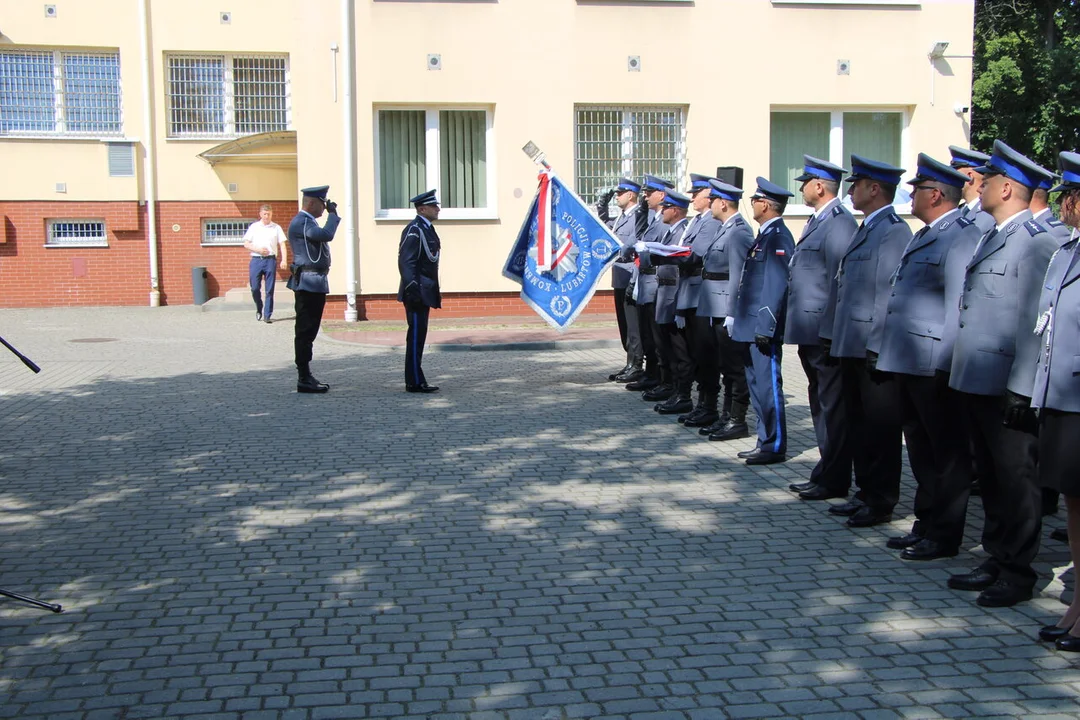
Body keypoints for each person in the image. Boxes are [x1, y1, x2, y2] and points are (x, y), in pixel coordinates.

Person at [946, 139, 1057, 607]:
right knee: (990, 476)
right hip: (978, 377)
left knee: (1016, 479)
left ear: (1007, 187)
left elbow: (1034, 323)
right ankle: (996, 555)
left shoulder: (1034, 244)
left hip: (1008, 383)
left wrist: (1023, 385)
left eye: (987, 180)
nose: (979, 185)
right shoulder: (994, 235)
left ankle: (1018, 570)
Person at [875, 153, 982, 560]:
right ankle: (926, 522)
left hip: (934, 363)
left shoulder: (959, 236)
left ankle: (945, 533)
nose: (911, 196)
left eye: (917, 190)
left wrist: (947, 364)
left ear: (936, 194)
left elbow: (959, 305)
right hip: (908, 358)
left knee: (947, 453)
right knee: (920, 449)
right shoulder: (924, 234)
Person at [828, 155, 912, 528]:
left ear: (874, 189)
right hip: (852, 342)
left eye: (856, 184)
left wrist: (878, 345)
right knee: (859, 423)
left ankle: (881, 500)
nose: (850, 190)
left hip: (872, 347)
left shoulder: (893, 231)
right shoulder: (867, 227)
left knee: (879, 428)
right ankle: (864, 492)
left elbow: (887, 294)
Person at [784, 157, 858, 500]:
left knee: (833, 407)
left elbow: (840, 283)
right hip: (810, 331)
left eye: (805, 182)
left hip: (824, 333)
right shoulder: (819, 221)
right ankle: (827, 470)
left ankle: (835, 476)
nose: (801, 189)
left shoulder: (839, 223)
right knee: (821, 403)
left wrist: (831, 332)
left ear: (819, 186)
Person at [1032, 150, 1080, 650]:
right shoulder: (1067, 250)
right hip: (1063, 393)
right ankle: (1078, 602)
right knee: (1074, 504)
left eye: (1071, 194)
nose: (1063, 202)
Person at [731, 178, 795, 466]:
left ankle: (775, 444)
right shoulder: (765, 235)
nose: (753, 204)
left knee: (768, 386)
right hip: (750, 325)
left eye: (756, 200)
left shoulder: (779, 236)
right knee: (756, 386)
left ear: (766, 205)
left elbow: (776, 284)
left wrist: (765, 326)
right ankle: (764, 440)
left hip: (761, 327)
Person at [699, 179, 753, 442]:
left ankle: (737, 420)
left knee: (734, 368)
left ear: (723, 202)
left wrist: (733, 312)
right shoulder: (725, 229)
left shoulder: (739, 232)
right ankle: (725, 416)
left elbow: (739, 276)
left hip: (727, 310)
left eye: (712, 201)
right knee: (724, 366)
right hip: (716, 307)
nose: (708, 205)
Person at [632, 190, 689, 396]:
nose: (662, 211)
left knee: (673, 345)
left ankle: (675, 388)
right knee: (660, 342)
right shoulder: (669, 229)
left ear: (675, 210)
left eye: (666, 208)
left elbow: (679, 259)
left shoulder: (681, 229)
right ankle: (666, 383)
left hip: (670, 290)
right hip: (661, 289)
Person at [287, 185, 339, 394]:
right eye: (322, 204)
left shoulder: (307, 221)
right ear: (310, 203)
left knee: (309, 330)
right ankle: (304, 377)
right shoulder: (303, 222)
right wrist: (334, 215)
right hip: (308, 283)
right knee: (305, 331)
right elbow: (326, 234)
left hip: (314, 282)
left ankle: (306, 375)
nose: (324, 208)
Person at [598, 179, 646, 382]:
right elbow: (604, 228)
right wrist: (602, 206)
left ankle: (636, 364)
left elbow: (634, 241)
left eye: (621, 193)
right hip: (619, 275)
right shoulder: (620, 218)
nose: (617, 196)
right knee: (624, 324)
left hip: (631, 274)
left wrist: (618, 250)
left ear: (632, 195)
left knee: (634, 324)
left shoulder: (639, 216)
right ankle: (629, 362)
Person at [398, 189, 442, 393]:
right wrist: (412, 289)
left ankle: (416, 378)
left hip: (425, 290)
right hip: (416, 292)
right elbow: (406, 263)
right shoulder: (414, 230)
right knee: (415, 337)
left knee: (419, 336)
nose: (438, 209)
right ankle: (414, 381)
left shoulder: (426, 229)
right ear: (422, 209)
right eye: (434, 206)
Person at [243, 204, 288, 324]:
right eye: (264, 214)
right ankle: (259, 307)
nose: (266, 216)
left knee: (269, 289)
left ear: (271, 214)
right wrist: (258, 250)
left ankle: (267, 315)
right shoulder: (254, 227)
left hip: (270, 260)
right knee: (255, 288)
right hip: (257, 260)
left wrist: (284, 260)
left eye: (269, 214)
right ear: (260, 214)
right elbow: (246, 244)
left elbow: (282, 244)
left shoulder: (276, 227)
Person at [949, 145, 996, 235]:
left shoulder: (988, 215)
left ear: (969, 176)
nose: (951, 179)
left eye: (954, 174)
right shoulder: (960, 210)